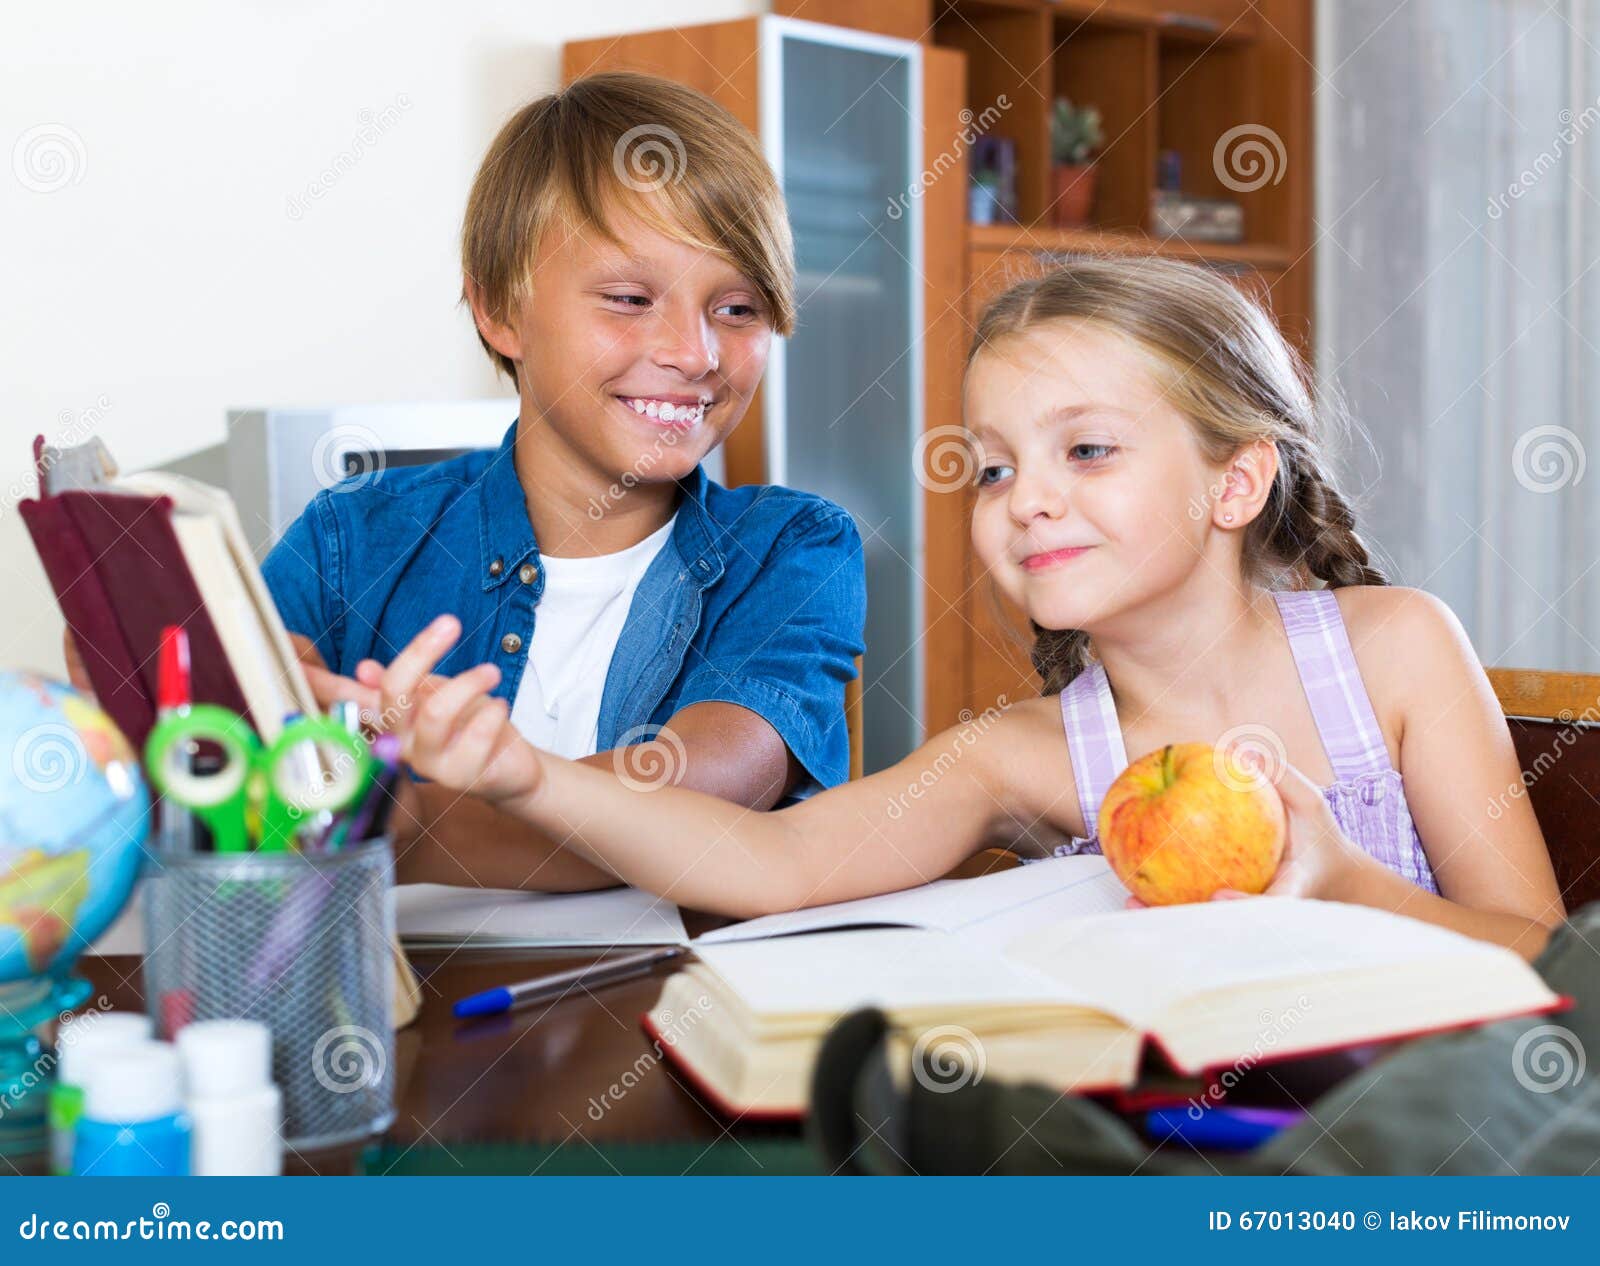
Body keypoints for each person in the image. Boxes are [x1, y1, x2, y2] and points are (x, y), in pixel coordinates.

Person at [372, 254, 1563, 958]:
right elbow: (775, 861)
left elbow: (1551, 972)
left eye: (1085, 450)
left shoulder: (1396, 652)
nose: (1024, 500)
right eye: (993, 468)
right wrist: (524, 774)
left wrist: (1345, 884)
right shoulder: (1024, 755)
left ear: (1235, 482)